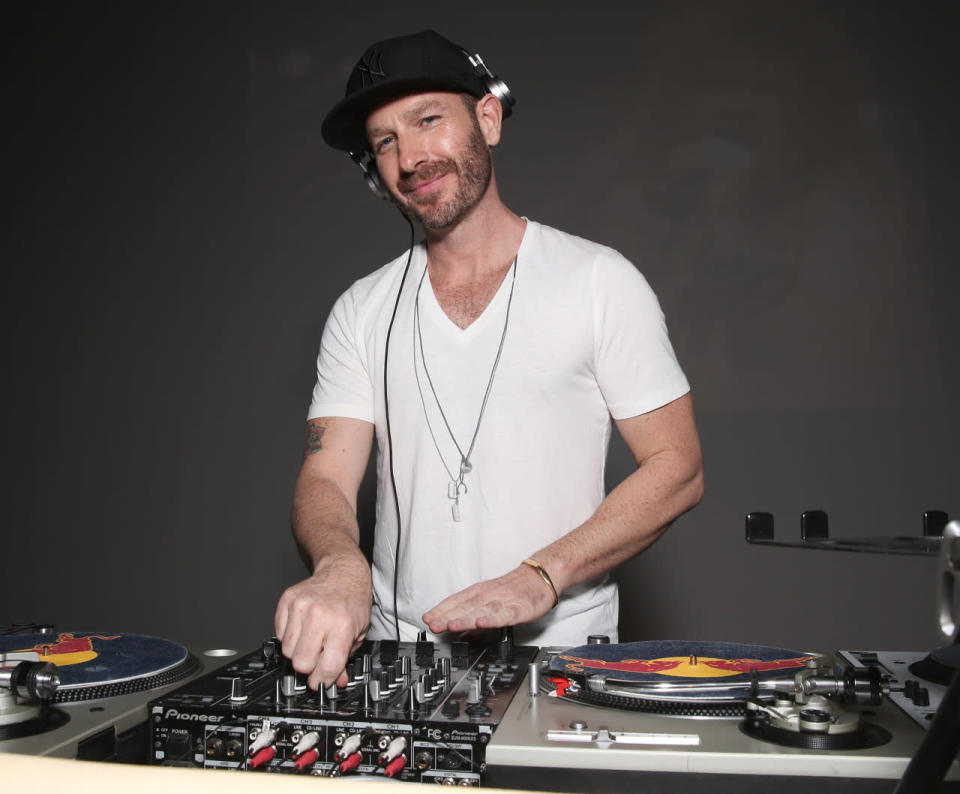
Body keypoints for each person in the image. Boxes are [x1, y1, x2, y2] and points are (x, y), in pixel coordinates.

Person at [274, 30, 704, 691]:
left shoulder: (598, 280)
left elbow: (678, 469)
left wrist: (541, 574)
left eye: (427, 120)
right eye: (385, 141)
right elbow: (326, 477)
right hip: (400, 668)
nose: (411, 156)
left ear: (488, 117)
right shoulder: (361, 310)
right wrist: (338, 565)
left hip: (559, 665)